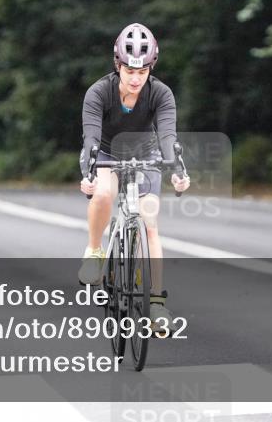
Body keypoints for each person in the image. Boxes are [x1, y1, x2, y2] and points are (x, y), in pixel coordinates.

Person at [77, 23, 190, 333]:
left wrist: (179, 171)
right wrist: (88, 174)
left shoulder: (161, 93)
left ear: (151, 67)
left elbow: (168, 136)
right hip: (108, 153)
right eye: (129, 70)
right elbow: (91, 139)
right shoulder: (99, 92)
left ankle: (156, 304)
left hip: (147, 154)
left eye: (143, 71)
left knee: (150, 224)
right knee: (102, 194)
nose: (136, 78)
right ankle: (95, 250)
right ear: (118, 65)